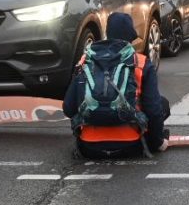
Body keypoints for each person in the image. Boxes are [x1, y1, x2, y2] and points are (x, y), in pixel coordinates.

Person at [63, 12, 169, 159]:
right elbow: (154, 110)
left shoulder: (85, 61)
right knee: (162, 104)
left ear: (107, 33)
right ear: (130, 39)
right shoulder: (140, 62)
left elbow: (68, 108)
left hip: (89, 147)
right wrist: (158, 142)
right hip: (131, 146)